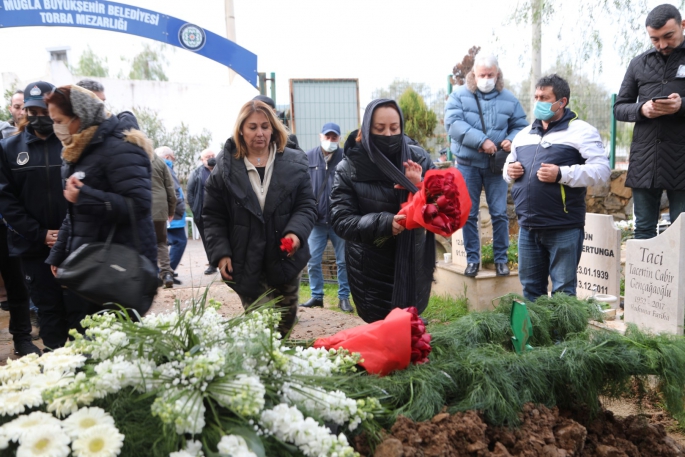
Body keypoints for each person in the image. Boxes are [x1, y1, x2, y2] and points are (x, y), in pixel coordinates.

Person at [202, 100, 316, 336]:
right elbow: (213, 216)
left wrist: (295, 233)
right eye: (252, 127)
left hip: (285, 258)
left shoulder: (295, 162)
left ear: (273, 128)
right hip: (245, 258)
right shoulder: (224, 168)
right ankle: (262, 366)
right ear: (241, 130)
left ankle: (278, 365)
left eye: (265, 126)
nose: (260, 133)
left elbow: (306, 205)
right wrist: (221, 253)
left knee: (285, 323)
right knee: (261, 326)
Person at [44, 85, 157, 317]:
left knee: (115, 342)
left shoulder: (121, 148)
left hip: (117, 268)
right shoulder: (76, 151)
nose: (56, 127)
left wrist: (85, 196)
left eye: (60, 120)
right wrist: (59, 253)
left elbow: (139, 205)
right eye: (53, 120)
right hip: (89, 266)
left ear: (81, 116)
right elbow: (74, 212)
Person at [504, 74, 611, 302]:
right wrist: (509, 170)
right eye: (536, 97)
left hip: (563, 227)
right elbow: (508, 166)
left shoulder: (581, 131)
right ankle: (538, 337)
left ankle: (563, 339)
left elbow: (602, 171)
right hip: (528, 227)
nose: (538, 102)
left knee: (563, 293)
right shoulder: (523, 135)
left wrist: (562, 174)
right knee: (531, 290)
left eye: (545, 97)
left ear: (562, 102)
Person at [330, 99, 435, 323]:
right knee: (379, 327)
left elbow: (441, 205)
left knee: (410, 323)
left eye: (394, 128)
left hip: (412, 262)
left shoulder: (418, 159)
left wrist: (418, 186)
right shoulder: (350, 167)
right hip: (370, 266)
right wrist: (384, 223)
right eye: (380, 129)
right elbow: (340, 219)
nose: (388, 135)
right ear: (367, 129)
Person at [0, 81, 71, 353]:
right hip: (32, 246)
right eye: (32, 111)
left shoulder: (70, 143)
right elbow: (7, 200)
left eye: (44, 112)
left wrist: (63, 235)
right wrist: (40, 234)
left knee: (77, 306)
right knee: (48, 308)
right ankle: (56, 360)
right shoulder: (8, 148)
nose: (38, 118)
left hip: (72, 243)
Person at [445, 53, 528, 278]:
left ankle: (501, 259)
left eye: (490, 75)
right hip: (467, 164)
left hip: (496, 165)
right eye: (481, 74)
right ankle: (473, 260)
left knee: (500, 213)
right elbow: (453, 124)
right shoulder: (459, 96)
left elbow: (521, 125)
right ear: (473, 74)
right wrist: (481, 141)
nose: (486, 79)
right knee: (469, 213)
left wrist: (512, 139)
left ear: (497, 74)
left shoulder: (509, 98)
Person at [614, 4, 685, 239]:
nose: (662, 45)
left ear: (682, 25)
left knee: (681, 232)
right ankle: (642, 277)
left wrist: (681, 105)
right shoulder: (638, 63)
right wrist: (641, 109)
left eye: (668, 36)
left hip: (681, 160)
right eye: (655, 39)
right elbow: (619, 108)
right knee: (643, 229)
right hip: (646, 160)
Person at [300, 122, 352, 313]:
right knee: (312, 260)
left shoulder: (345, 156)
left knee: (343, 261)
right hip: (317, 220)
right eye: (327, 137)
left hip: (339, 219)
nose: (330, 140)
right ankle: (316, 296)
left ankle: (344, 297)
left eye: (334, 137)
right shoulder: (308, 157)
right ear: (320, 136)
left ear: (339, 138)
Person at [157, 147, 187, 283]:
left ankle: (165, 271)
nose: (174, 159)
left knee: (162, 242)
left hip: (161, 211)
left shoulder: (154, 166)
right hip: (171, 213)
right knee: (178, 241)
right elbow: (173, 191)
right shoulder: (166, 168)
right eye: (173, 157)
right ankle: (166, 272)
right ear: (168, 157)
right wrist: (176, 209)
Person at [187, 148, 217, 274]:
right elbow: (190, 193)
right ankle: (212, 264)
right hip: (203, 214)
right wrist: (195, 210)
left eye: (212, 155)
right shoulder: (196, 173)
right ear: (202, 160)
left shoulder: (222, 169)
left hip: (220, 213)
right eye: (207, 156)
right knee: (207, 240)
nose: (210, 158)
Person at [150, 146, 177, 288]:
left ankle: (146, 276)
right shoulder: (160, 162)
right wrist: (171, 210)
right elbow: (171, 190)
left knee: (142, 243)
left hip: (141, 208)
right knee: (161, 242)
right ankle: (167, 274)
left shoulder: (133, 159)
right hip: (160, 208)